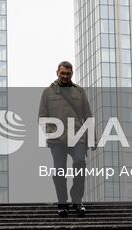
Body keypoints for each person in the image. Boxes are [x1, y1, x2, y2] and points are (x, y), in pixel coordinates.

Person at [37, 60, 94, 216]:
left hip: (78, 137)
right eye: (62, 73)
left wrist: (93, 138)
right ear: (57, 72)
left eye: (68, 74)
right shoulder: (47, 93)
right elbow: (42, 117)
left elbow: (88, 116)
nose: (65, 76)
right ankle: (62, 202)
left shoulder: (79, 92)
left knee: (80, 163)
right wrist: (51, 132)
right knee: (59, 171)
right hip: (57, 139)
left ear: (72, 74)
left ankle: (77, 200)